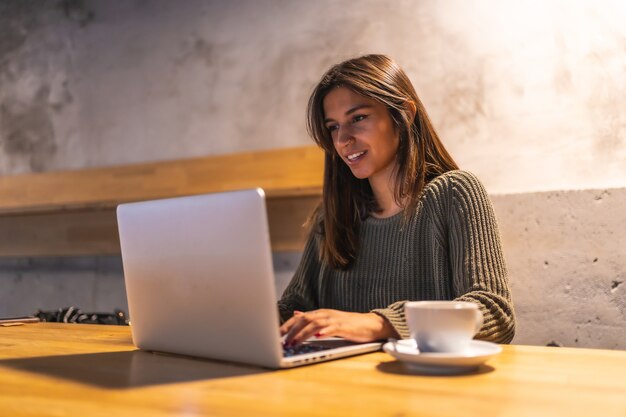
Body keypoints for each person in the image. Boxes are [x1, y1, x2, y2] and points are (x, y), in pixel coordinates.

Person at [278, 54, 515, 346]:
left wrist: (380, 323)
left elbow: (494, 312)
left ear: (404, 113)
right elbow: (294, 306)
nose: (342, 140)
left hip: (426, 385)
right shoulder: (333, 218)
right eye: (333, 127)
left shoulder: (455, 192)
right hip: (340, 384)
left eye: (358, 118)